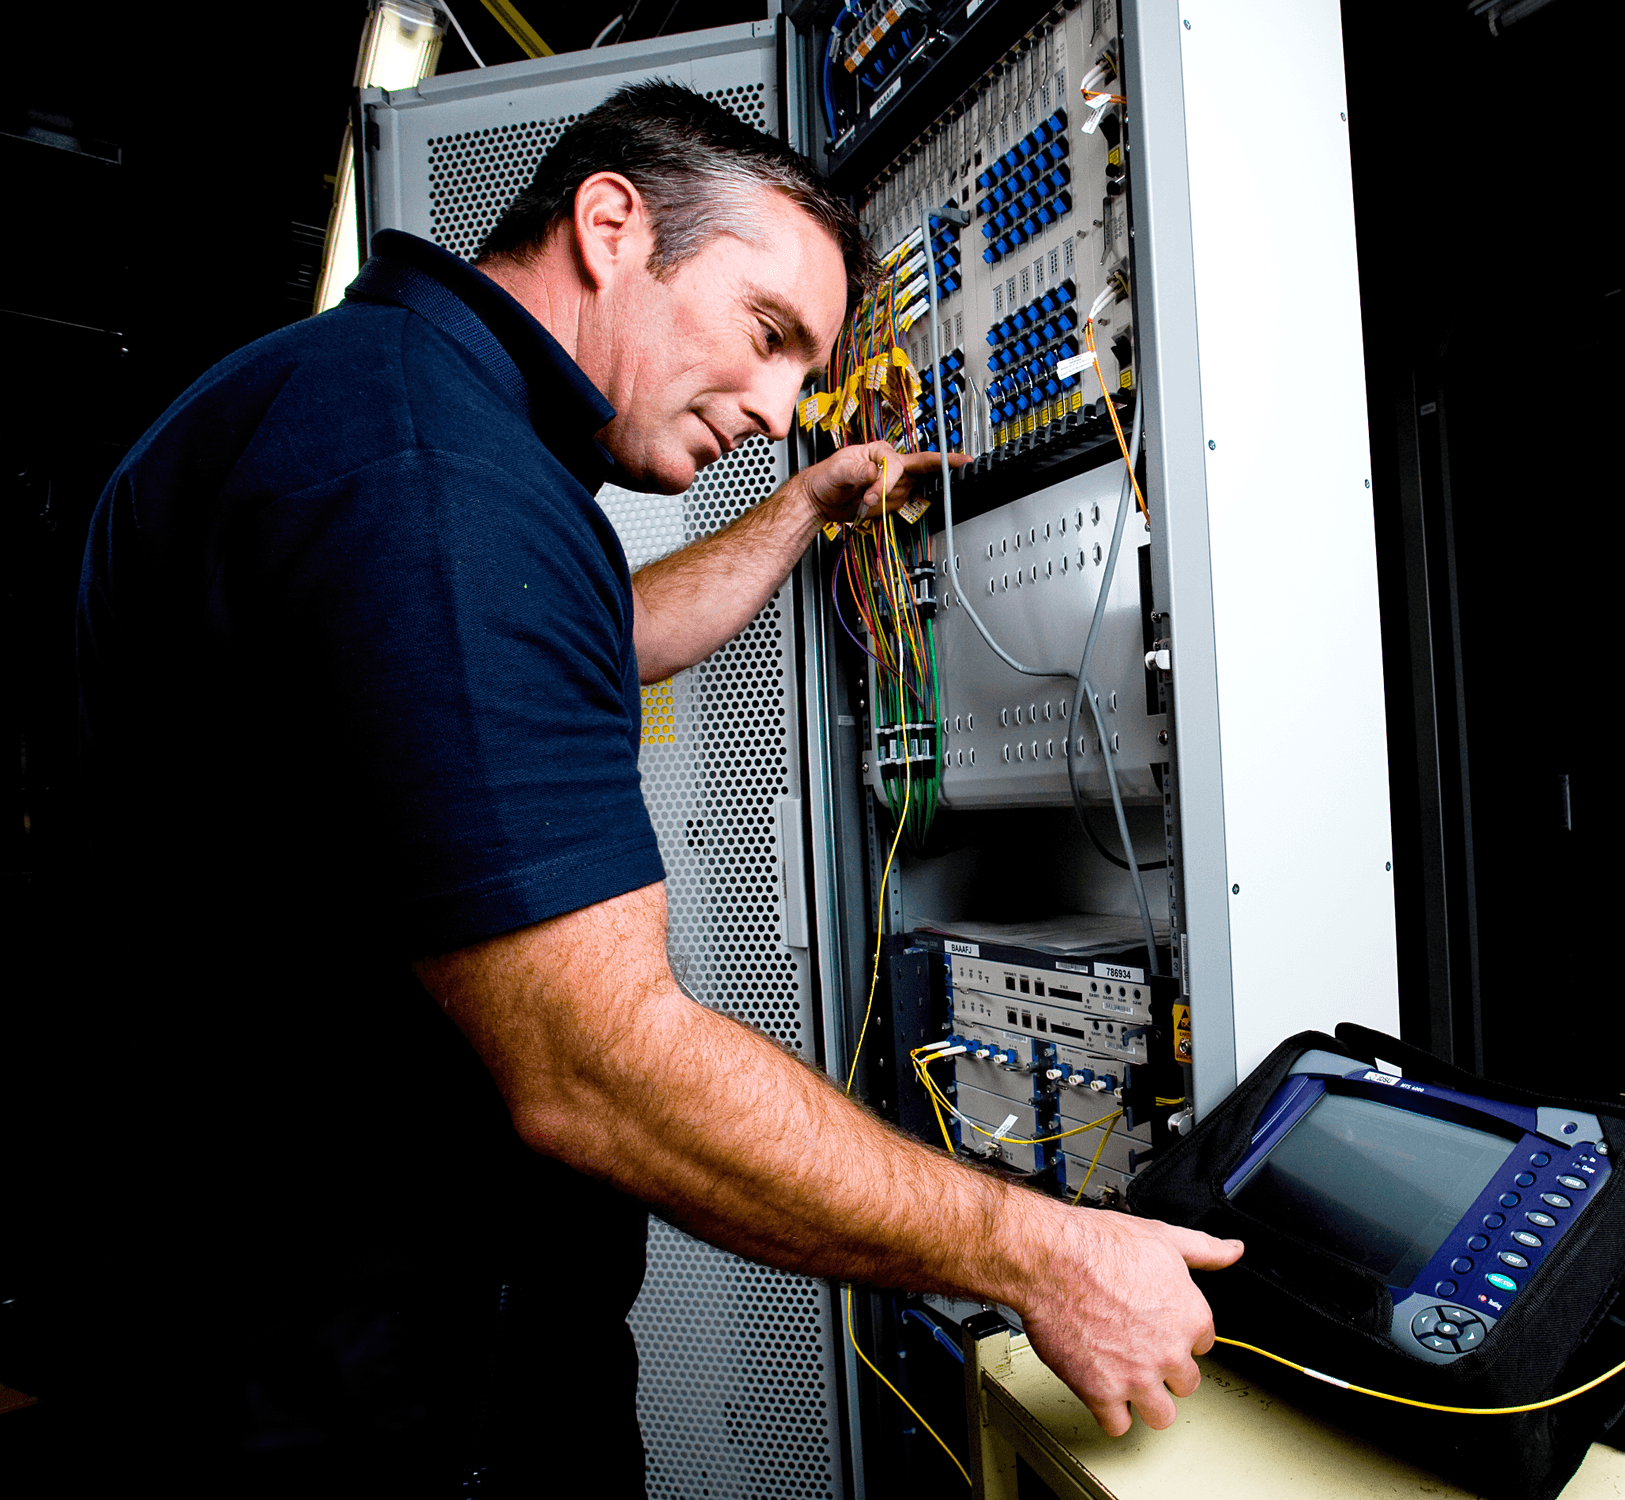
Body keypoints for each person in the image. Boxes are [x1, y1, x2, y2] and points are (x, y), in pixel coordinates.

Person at [71, 79, 1238, 1494]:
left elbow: (588, 639)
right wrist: (1045, 1248)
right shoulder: (436, 482)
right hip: (372, 1404)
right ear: (612, 223)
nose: (777, 408)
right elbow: (592, 1068)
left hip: (265, 1333)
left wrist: (802, 511)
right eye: (768, 337)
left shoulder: (374, 409)